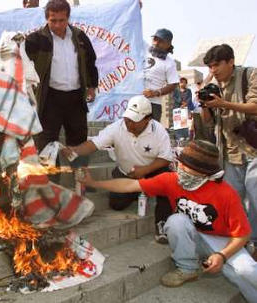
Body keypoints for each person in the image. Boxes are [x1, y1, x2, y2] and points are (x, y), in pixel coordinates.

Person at [78, 140, 257, 302]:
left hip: (222, 241)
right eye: (179, 163)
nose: (179, 168)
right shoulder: (171, 180)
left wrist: (222, 255)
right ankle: (187, 268)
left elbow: (243, 234)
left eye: (185, 166)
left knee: (246, 272)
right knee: (175, 221)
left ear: (203, 172)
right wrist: (94, 183)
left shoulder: (226, 193)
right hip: (191, 236)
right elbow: (130, 185)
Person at [63, 95, 173, 244]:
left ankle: (162, 224)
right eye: (127, 119)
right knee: (117, 204)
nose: (129, 124)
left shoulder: (158, 131)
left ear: (147, 119)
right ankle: (138, 191)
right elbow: (94, 144)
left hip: (152, 171)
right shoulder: (117, 127)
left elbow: (165, 158)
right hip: (126, 173)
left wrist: (145, 170)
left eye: (134, 121)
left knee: (166, 181)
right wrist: (75, 150)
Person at [25, 0, 98, 169]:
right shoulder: (36, 39)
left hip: (75, 98)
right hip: (50, 98)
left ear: (68, 18)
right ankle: (51, 185)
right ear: (46, 19)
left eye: (61, 20)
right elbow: (18, 57)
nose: (57, 25)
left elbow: (90, 62)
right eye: (53, 20)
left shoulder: (79, 37)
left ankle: (81, 180)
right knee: (46, 142)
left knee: (79, 139)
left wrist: (92, 86)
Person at [200, 44, 257, 260]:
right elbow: (208, 123)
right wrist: (206, 106)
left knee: (256, 199)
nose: (213, 70)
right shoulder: (212, 85)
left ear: (230, 61)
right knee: (235, 202)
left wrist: (224, 103)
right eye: (210, 66)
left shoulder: (250, 75)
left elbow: (255, 106)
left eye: (217, 65)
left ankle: (254, 244)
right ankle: (242, 243)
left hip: (253, 149)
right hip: (230, 153)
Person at [143, 28, 179, 122]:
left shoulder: (169, 63)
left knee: (150, 134)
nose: (156, 43)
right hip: (133, 99)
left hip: (152, 104)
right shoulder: (143, 50)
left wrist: (155, 93)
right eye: (155, 39)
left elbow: (173, 84)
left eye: (161, 41)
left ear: (168, 44)